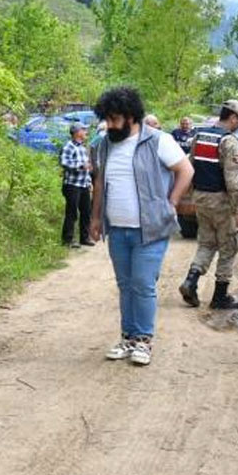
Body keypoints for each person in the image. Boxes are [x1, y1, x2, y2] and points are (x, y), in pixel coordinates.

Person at [89, 87, 194, 367]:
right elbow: (99, 184)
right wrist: (95, 218)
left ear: (131, 117)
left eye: (114, 119)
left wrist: (171, 202)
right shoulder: (103, 145)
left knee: (143, 284)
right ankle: (128, 337)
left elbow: (186, 170)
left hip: (150, 229)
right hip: (118, 229)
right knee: (125, 285)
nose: (109, 125)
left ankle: (144, 341)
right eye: (107, 120)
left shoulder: (158, 141)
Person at [178, 100, 238, 309]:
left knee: (206, 243)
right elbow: (233, 182)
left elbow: (189, 167)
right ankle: (220, 297)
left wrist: (191, 196)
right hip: (222, 201)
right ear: (233, 118)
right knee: (229, 247)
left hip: (201, 198)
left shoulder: (199, 136)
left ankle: (190, 281)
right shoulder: (228, 141)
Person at [59, 124, 94, 249]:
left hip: (83, 184)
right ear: (77, 132)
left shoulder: (83, 148)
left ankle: (84, 238)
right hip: (72, 185)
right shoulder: (69, 146)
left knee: (86, 211)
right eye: (84, 129)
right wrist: (80, 165)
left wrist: (89, 183)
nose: (86, 131)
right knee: (72, 212)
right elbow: (64, 162)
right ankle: (67, 239)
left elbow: (88, 167)